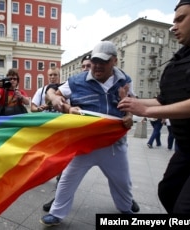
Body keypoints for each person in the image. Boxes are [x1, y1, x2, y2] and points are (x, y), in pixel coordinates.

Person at [118, 0, 190, 214]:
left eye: (181, 19)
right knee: (168, 192)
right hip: (188, 148)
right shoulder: (183, 56)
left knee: (188, 209)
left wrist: (146, 111)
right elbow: (165, 99)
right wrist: (133, 103)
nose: (174, 27)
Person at [40, 41, 139, 226]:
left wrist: (129, 115)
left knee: (122, 181)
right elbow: (52, 93)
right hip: (85, 144)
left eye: (103, 61)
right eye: (94, 61)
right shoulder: (77, 81)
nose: (97, 66)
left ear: (114, 61)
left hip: (113, 145)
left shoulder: (124, 79)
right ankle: (56, 213)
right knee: (67, 180)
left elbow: (131, 102)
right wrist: (58, 100)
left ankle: (125, 208)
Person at [41, 60, 92, 212]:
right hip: (58, 134)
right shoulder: (70, 84)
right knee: (64, 169)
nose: (52, 77)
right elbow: (48, 94)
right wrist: (52, 98)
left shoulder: (78, 84)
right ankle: (58, 200)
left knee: (116, 172)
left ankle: (126, 199)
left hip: (82, 133)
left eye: (55, 75)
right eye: (83, 66)